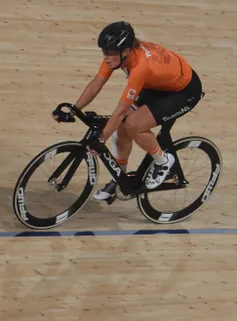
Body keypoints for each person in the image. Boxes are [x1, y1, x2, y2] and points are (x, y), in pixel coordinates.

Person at [56, 22, 202, 200]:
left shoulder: (140, 67)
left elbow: (121, 110)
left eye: (109, 53)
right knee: (120, 127)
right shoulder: (119, 55)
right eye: (104, 52)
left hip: (183, 92)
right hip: (157, 85)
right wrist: (74, 110)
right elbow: (97, 83)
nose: (106, 57)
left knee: (133, 125)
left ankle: (163, 161)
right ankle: (119, 178)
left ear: (125, 51)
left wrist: (101, 139)